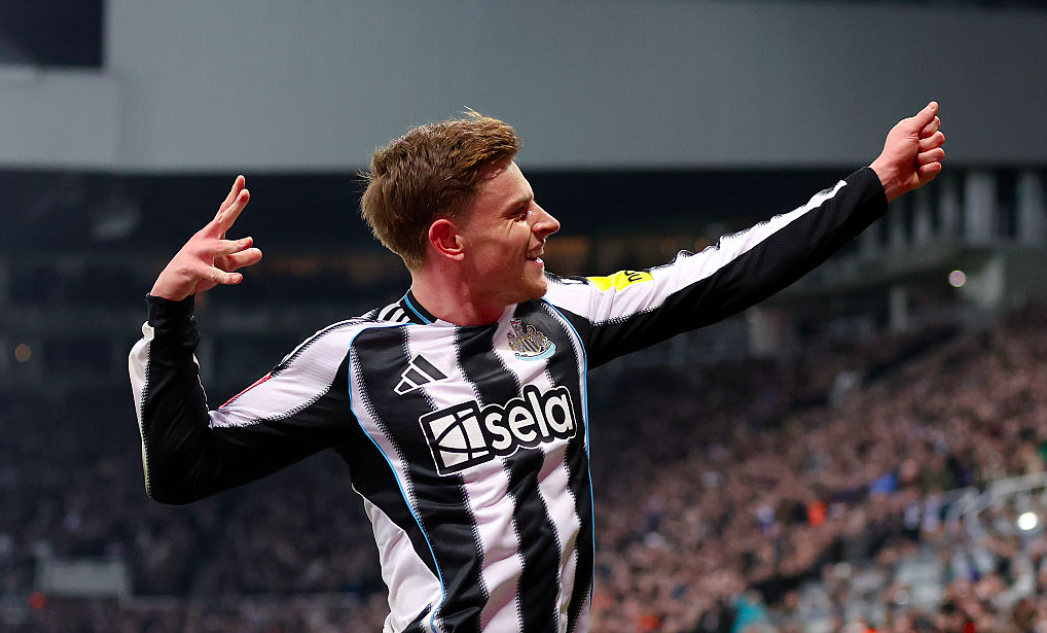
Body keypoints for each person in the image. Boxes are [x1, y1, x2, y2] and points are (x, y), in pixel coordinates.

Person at [129, 103, 945, 632]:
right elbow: (184, 468)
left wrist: (873, 184)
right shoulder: (352, 360)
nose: (548, 223)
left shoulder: (564, 317)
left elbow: (724, 273)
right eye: (520, 212)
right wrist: (169, 318)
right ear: (448, 240)